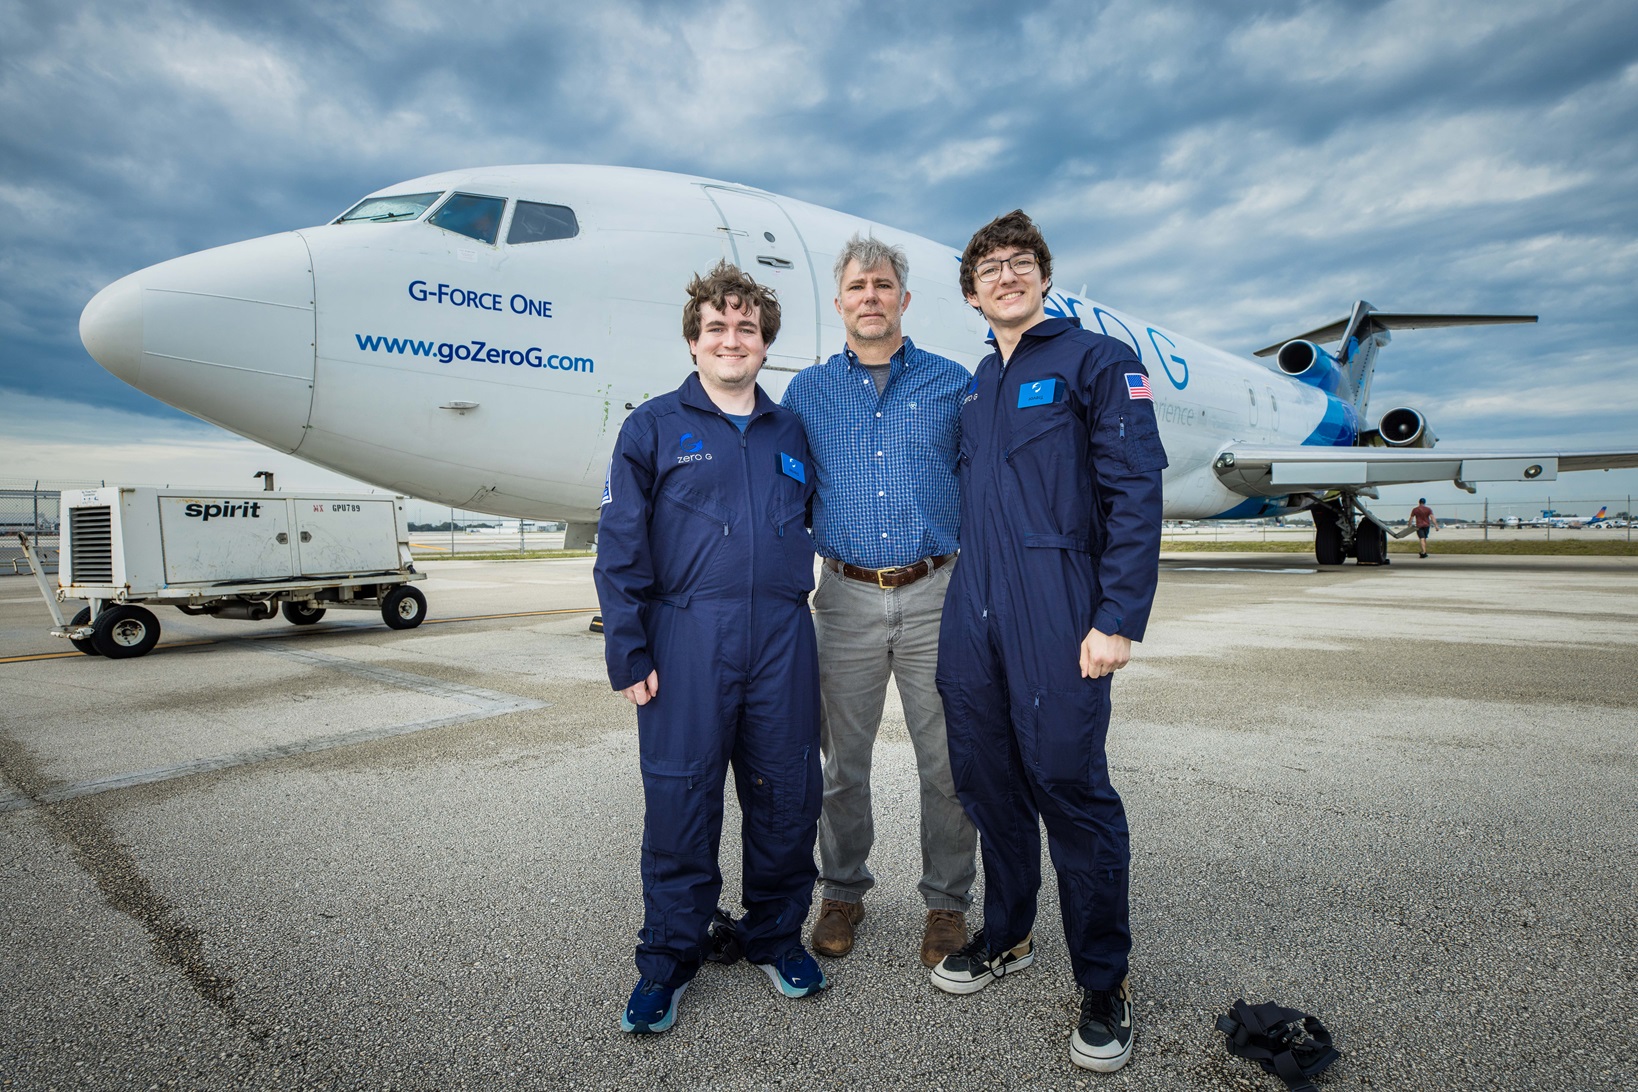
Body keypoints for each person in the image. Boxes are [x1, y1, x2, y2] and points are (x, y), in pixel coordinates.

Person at [931, 211, 1166, 1074]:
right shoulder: (971, 389)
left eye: (1020, 263)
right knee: (987, 779)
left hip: (1059, 603)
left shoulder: (1098, 362)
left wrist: (1117, 619)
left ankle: (1105, 981)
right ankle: (1010, 931)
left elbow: (1137, 493)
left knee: (1069, 781)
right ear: (971, 291)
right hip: (975, 604)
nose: (1005, 275)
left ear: (1043, 277)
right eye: (989, 267)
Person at [594, 261, 827, 1035]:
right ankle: (666, 960)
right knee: (680, 802)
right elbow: (619, 547)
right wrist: (630, 651)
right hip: (687, 636)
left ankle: (774, 937)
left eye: (748, 329)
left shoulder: (791, 430)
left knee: (785, 797)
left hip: (782, 639)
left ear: (766, 346)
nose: (733, 339)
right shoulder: (652, 427)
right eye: (718, 327)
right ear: (694, 341)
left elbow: (817, 519)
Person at [781, 235, 978, 969]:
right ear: (840, 303)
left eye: (884, 284)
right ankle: (841, 893)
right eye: (858, 286)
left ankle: (946, 904)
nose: (871, 296)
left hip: (937, 592)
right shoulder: (806, 393)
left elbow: (983, 481)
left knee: (947, 762)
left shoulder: (952, 384)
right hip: (845, 596)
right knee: (841, 764)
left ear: (904, 299)